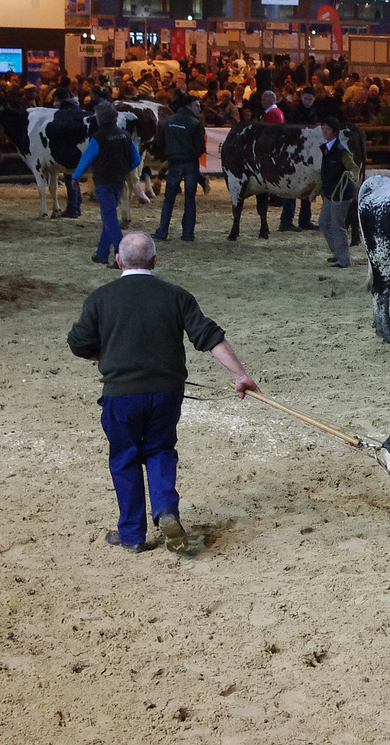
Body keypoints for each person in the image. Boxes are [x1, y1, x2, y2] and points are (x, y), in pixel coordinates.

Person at [66, 232, 260, 553]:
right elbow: (210, 337)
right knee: (160, 450)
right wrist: (240, 375)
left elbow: (78, 343)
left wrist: (102, 354)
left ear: (118, 261)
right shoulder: (176, 295)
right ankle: (166, 510)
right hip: (166, 394)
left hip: (121, 395)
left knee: (124, 459)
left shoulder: (100, 298)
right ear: (155, 262)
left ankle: (131, 535)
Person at [73, 102, 143, 267]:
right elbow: (136, 159)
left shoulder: (98, 138)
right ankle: (102, 254)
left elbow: (87, 159)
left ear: (99, 119)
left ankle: (122, 254)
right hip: (119, 180)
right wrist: (124, 170)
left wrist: (76, 176)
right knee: (109, 216)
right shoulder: (125, 135)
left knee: (109, 217)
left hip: (103, 181)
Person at [154, 94, 204, 242]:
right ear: (189, 106)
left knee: (168, 198)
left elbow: (160, 143)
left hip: (174, 162)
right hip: (190, 163)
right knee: (190, 198)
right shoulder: (195, 123)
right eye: (197, 105)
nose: (199, 108)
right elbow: (201, 147)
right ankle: (188, 233)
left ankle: (162, 231)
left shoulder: (168, 121)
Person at [318, 121, 361, 269]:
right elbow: (324, 174)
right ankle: (337, 252)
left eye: (327, 129)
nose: (324, 132)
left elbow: (354, 167)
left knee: (337, 225)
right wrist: (314, 192)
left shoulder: (341, 150)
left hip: (341, 193)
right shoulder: (326, 149)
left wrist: (351, 174)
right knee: (324, 222)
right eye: (323, 129)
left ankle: (344, 259)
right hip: (331, 192)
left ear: (334, 132)